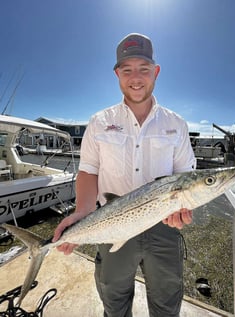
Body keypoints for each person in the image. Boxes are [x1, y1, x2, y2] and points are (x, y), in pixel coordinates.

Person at [53, 33, 196, 317]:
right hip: (111, 222)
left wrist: (184, 207)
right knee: (114, 299)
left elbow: (186, 177)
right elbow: (88, 171)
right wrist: (83, 211)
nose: (136, 77)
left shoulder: (176, 123)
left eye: (144, 68)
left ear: (155, 71)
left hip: (164, 226)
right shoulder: (99, 122)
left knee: (167, 302)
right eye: (127, 69)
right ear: (116, 73)